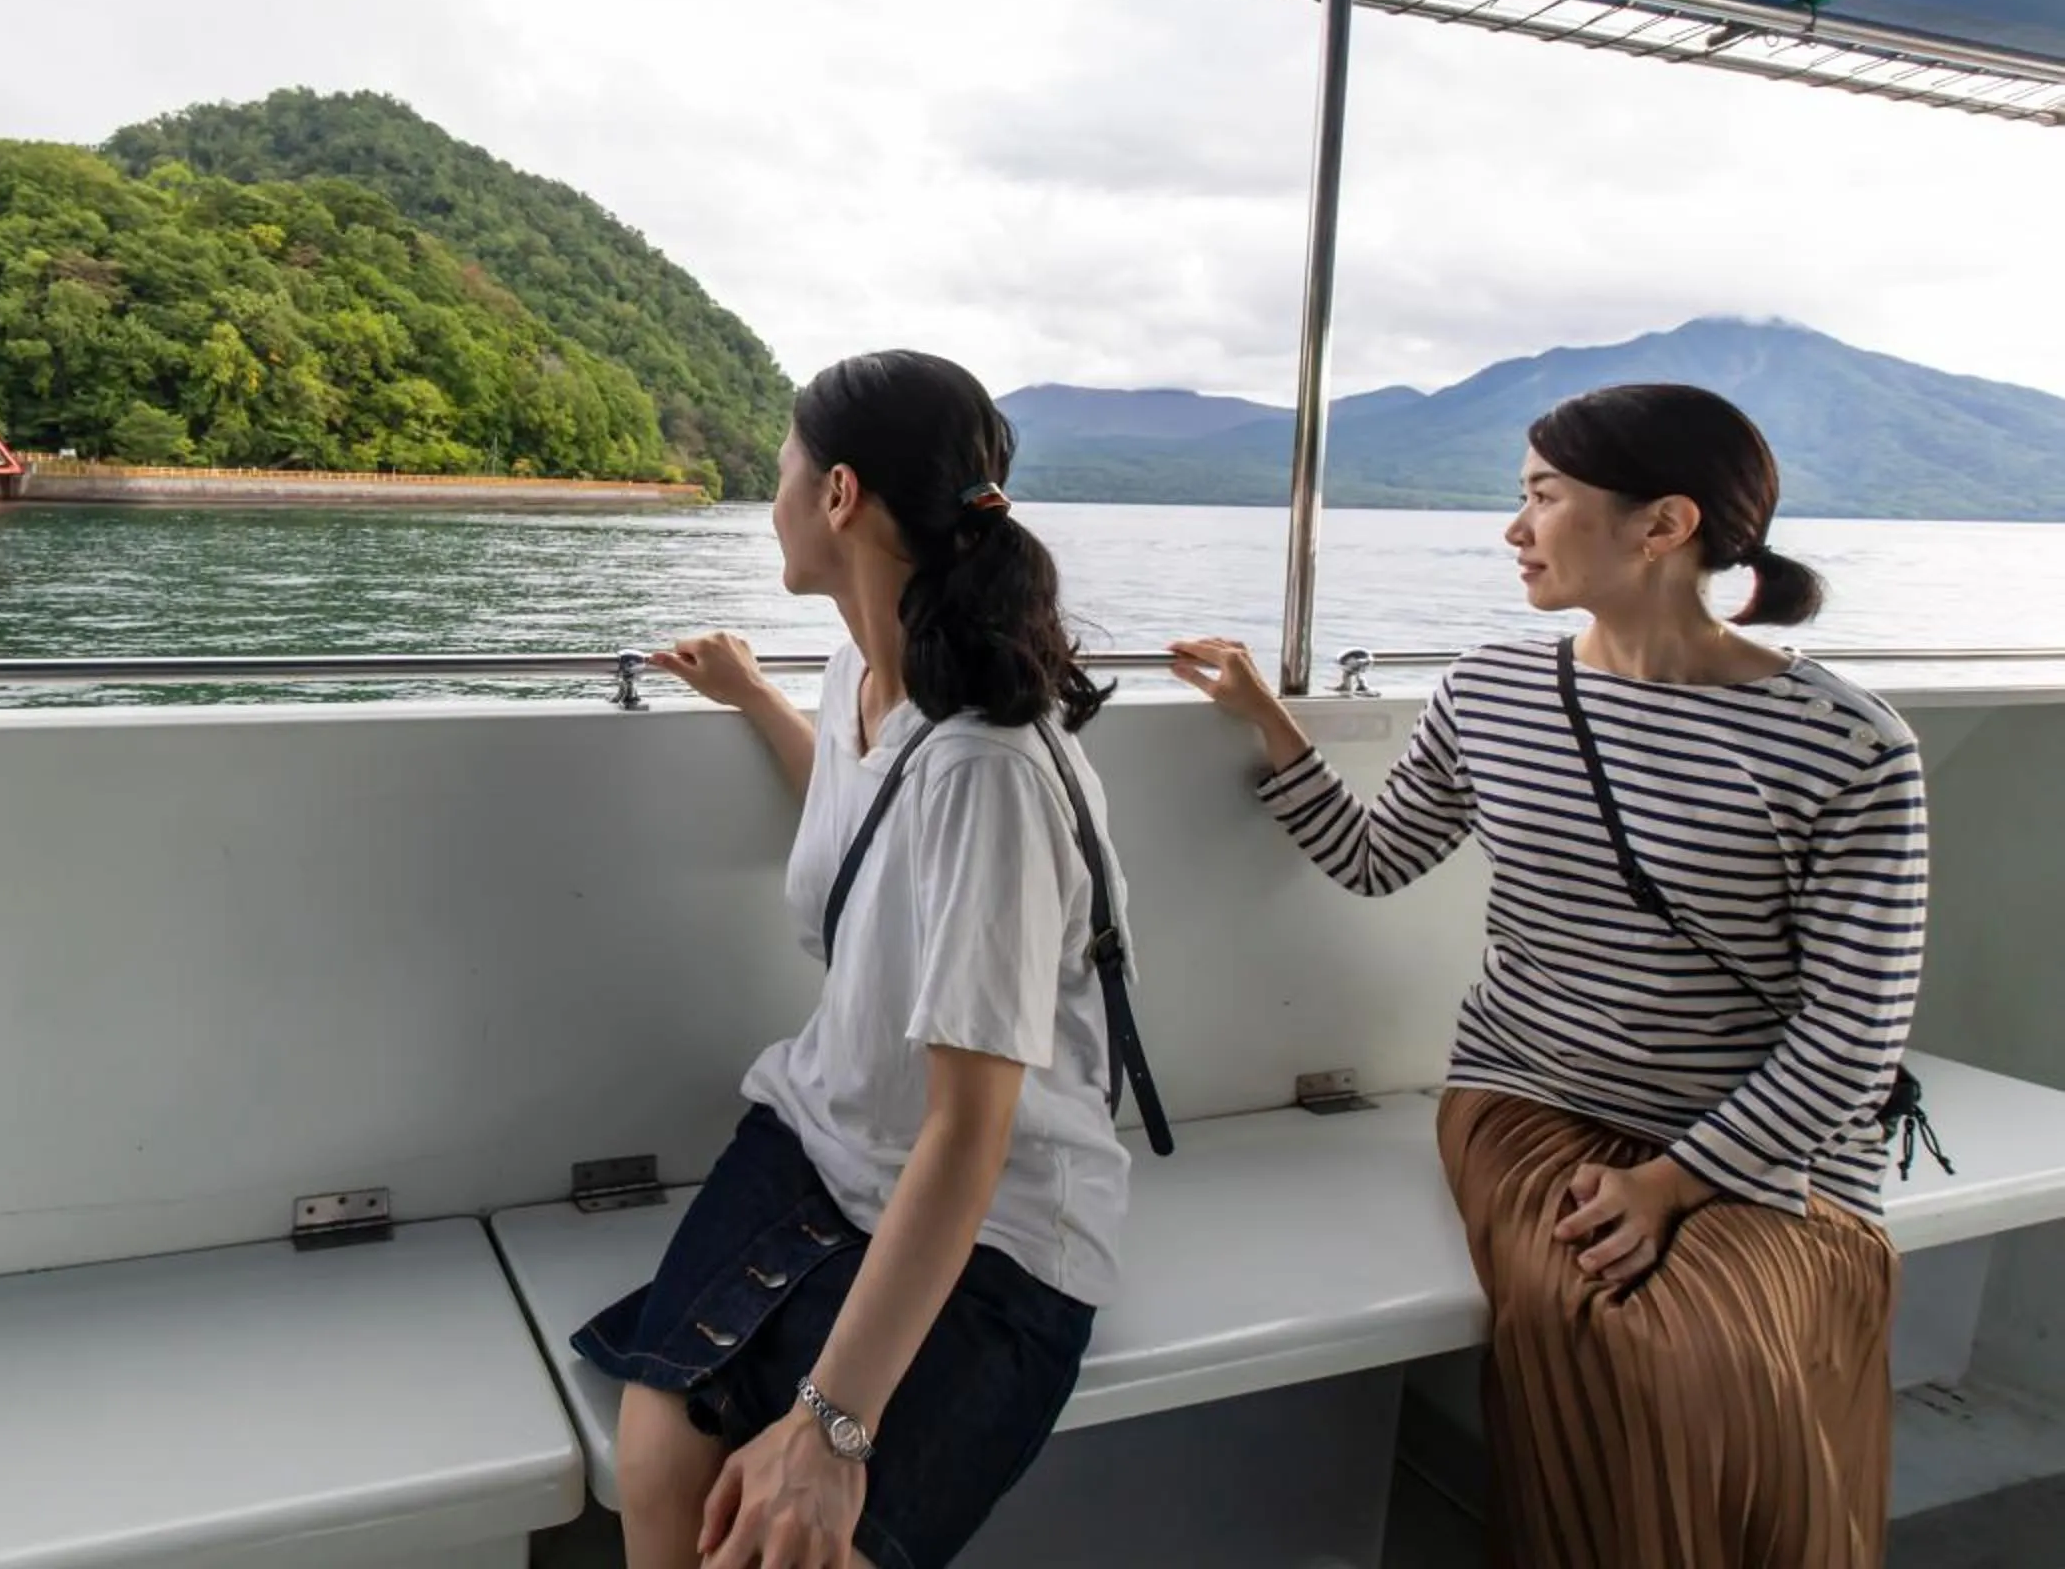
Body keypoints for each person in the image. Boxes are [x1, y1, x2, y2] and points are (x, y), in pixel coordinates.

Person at [1171, 382, 1927, 1569]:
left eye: (1542, 495)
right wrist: (1269, 716)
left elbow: (1855, 1039)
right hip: (1531, 1102)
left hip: (1766, 1144)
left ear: (1662, 524)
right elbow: (1377, 859)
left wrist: (1675, 1182)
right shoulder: (1493, 691)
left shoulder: (1850, 745)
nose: (1513, 527)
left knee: (1751, 1362)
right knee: (1649, 1351)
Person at [575, 349, 1136, 1569]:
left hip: (990, 1220)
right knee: (662, 1466)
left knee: (774, 1541)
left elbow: (971, 1131)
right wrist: (750, 699)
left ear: (837, 496)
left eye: (779, 468)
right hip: (824, 1137)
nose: (769, 493)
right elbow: (855, 801)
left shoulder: (989, 769)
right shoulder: (858, 675)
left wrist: (834, 1428)